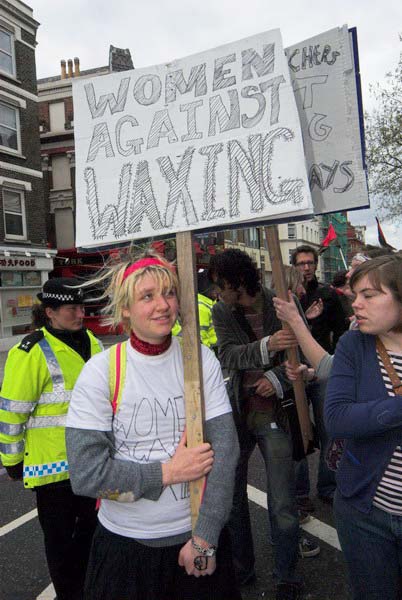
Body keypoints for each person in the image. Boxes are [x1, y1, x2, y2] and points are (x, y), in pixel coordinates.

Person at [65, 250, 241, 600]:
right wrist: (169, 472)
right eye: (147, 296)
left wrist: (205, 537)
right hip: (124, 547)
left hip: (193, 539)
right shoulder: (102, 372)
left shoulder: (199, 358)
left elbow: (226, 450)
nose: (163, 305)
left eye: (169, 293)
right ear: (126, 307)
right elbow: (86, 475)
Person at [209, 248, 319, 600]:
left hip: (276, 412)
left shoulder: (282, 305)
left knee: (283, 499)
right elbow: (227, 354)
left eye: (219, 286)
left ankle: (286, 573)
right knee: (233, 498)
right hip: (237, 413)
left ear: (236, 282)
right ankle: (242, 569)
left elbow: (301, 354)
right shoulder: (223, 311)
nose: (216, 293)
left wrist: (277, 377)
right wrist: (266, 346)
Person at [0, 278, 103, 600]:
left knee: (94, 537)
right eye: (72, 308)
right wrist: (12, 461)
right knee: (61, 548)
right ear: (50, 312)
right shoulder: (29, 351)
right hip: (52, 471)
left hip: (93, 464)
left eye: (82, 307)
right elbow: (12, 412)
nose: (80, 314)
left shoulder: (93, 342)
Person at [324, 255, 402, 600]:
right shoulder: (353, 345)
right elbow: (338, 417)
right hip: (365, 514)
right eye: (355, 294)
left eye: (369, 295)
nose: (356, 303)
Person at [291, 245, 347, 505]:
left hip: (323, 373)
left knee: (329, 432)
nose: (306, 268)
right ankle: (300, 495)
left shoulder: (328, 295)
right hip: (293, 373)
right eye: (301, 263)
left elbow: (342, 331)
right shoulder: (286, 295)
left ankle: (327, 487)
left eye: (310, 263)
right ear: (294, 265)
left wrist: (335, 364)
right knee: (298, 435)